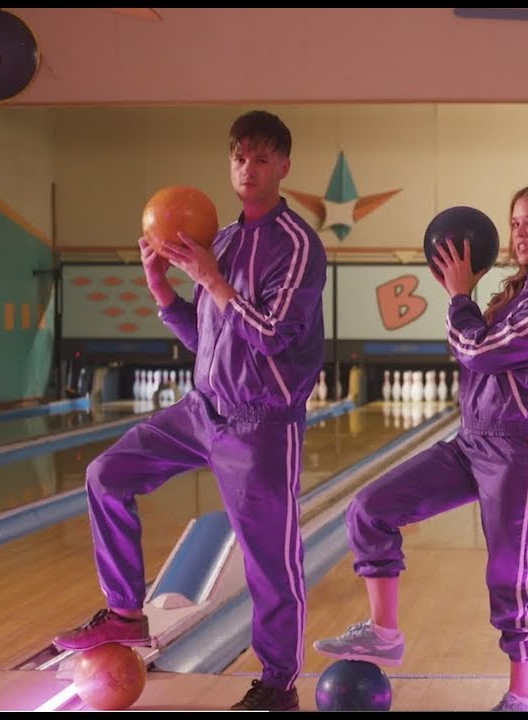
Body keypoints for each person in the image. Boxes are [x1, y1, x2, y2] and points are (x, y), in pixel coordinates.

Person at [53, 109, 327, 712]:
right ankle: (125, 613)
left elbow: (275, 335)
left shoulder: (298, 245)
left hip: (261, 424)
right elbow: (209, 338)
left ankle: (277, 685)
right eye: (239, 158)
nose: (248, 169)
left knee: (269, 562)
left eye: (261, 158)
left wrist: (214, 279)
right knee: (106, 475)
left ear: (284, 166)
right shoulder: (220, 241)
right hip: (201, 410)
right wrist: (164, 291)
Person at [313, 181, 528, 713]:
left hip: (517, 454)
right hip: (471, 443)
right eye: (514, 222)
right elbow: (474, 348)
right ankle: (384, 633)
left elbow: (478, 351)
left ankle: (522, 697)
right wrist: (461, 294)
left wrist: (460, 297)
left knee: (510, 577)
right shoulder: (519, 292)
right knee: (370, 509)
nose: (519, 233)